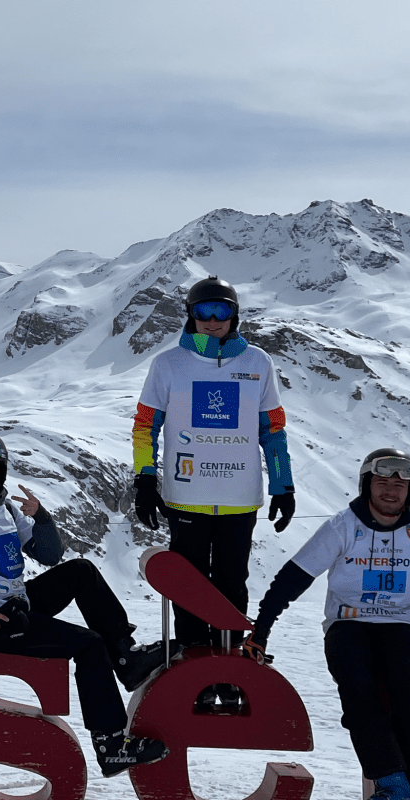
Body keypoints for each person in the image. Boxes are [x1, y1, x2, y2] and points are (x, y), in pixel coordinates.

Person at [0, 431, 169, 774]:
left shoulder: (6, 508)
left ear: (1, 470)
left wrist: (42, 517)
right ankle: (111, 745)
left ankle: (125, 657)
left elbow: (50, 555)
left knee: (80, 570)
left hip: (19, 607)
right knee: (89, 646)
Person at [241, 449, 410, 800]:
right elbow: (292, 580)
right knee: (358, 688)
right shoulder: (343, 526)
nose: (391, 491)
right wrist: (261, 630)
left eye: (400, 484)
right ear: (367, 485)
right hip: (349, 622)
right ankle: (395, 788)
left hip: (403, 623)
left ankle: (398, 793)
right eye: (382, 482)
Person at [128, 277, 296, 713]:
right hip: (185, 496)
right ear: (190, 315)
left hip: (240, 496)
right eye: (204, 312)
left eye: (222, 312)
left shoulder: (258, 363)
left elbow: (272, 429)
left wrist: (283, 483)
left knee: (230, 585)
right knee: (189, 588)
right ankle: (194, 672)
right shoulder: (169, 364)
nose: (213, 321)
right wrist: (145, 478)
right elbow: (146, 427)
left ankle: (228, 673)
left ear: (235, 315)